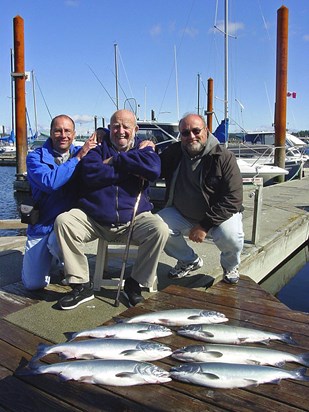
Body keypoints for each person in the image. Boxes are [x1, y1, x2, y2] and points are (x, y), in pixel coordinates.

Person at [54, 109, 169, 310]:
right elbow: (91, 173)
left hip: (133, 219)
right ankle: (80, 285)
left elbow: (153, 170)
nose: (121, 131)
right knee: (64, 221)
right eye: (116, 126)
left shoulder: (145, 150)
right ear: (109, 128)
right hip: (95, 220)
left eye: (126, 126)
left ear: (136, 129)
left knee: (159, 228)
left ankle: (135, 284)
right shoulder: (96, 151)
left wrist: (116, 162)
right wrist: (132, 169)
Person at [157, 113, 244, 284]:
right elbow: (151, 166)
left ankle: (230, 266)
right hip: (182, 213)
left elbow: (234, 198)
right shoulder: (175, 152)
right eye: (185, 133)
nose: (191, 136)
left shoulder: (223, 157)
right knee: (156, 228)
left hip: (218, 216)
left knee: (231, 237)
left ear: (206, 130)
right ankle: (189, 260)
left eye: (196, 131)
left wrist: (204, 226)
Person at [22, 115, 97, 291]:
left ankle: (67, 266)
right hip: (41, 225)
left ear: (74, 133)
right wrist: (77, 159)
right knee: (33, 284)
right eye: (58, 130)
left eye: (67, 131)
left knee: (60, 237)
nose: (63, 135)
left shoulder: (83, 153)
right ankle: (53, 262)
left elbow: (116, 138)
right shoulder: (35, 158)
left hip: (66, 226)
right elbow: (50, 183)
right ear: (50, 133)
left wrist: (147, 143)